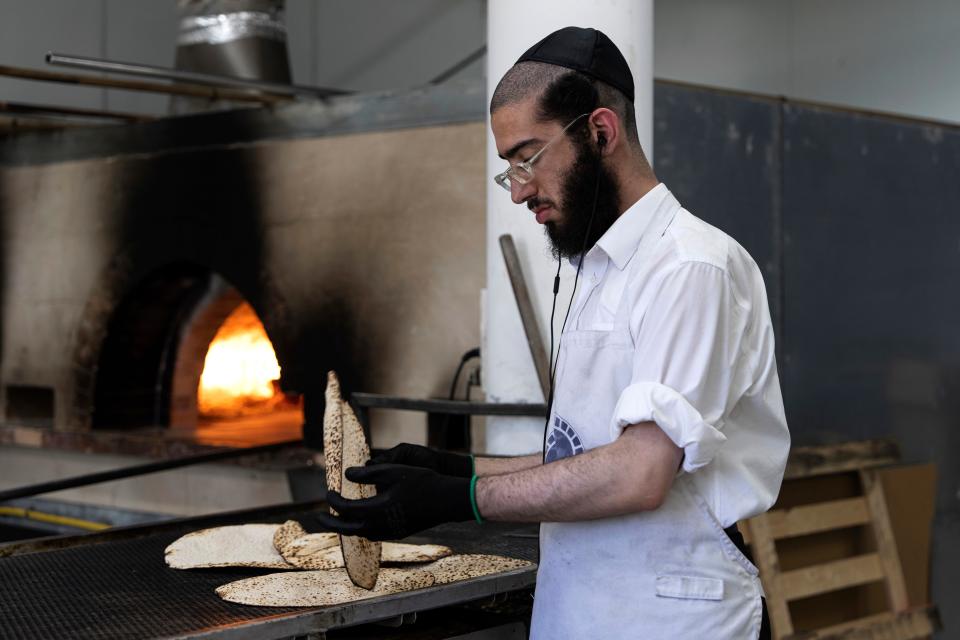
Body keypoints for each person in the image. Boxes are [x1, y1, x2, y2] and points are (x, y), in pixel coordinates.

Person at [317, 26, 790, 639]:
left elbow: (640, 473)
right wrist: (458, 468)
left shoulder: (690, 267)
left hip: (669, 614)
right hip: (582, 604)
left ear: (600, 132)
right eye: (507, 168)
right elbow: (588, 455)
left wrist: (461, 501)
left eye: (528, 158)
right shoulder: (595, 268)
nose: (518, 191)